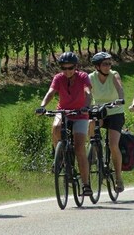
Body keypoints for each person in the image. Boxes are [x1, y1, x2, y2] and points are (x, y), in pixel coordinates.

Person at [36, 52, 93, 196]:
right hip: (63, 112)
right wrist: (42, 106)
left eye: (70, 68)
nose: (67, 71)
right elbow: (51, 92)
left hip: (80, 114)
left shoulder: (83, 77)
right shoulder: (58, 78)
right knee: (56, 127)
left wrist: (86, 106)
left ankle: (86, 184)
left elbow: (87, 91)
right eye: (64, 68)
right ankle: (59, 154)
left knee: (79, 147)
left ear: (76, 67)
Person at [88, 52, 125, 193]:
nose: (108, 66)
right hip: (99, 110)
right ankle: (94, 150)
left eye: (109, 63)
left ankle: (118, 178)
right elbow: (87, 93)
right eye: (105, 64)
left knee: (113, 144)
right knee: (91, 122)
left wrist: (120, 99)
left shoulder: (113, 74)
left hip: (115, 111)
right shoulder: (90, 77)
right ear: (97, 66)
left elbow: (119, 87)